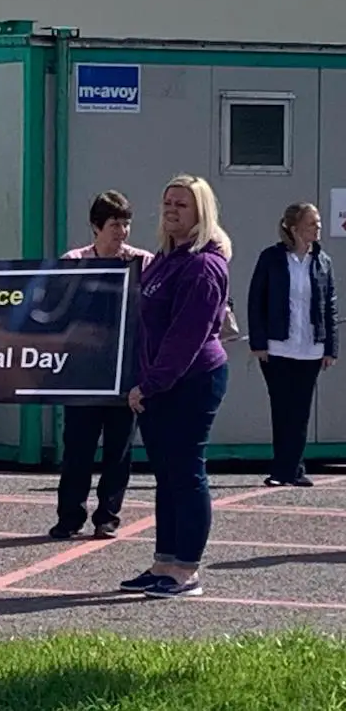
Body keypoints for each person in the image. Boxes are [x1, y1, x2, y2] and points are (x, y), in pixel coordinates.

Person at [122, 174, 232, 599]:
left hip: (191, 381)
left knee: (186, 474)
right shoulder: (167, 259)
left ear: (201, 213)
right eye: (168, 202)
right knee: (165, 476)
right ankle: (163, 563)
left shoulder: (203, 265)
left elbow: (184, 337)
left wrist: (149, 385)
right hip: (159, 382)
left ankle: (186, 571)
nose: (171, 210)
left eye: (182, 205)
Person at [49, 190, 153, 540]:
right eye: (114, 224)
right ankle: (69, 516)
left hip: (125, 374)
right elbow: (56, 312)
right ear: (96, 227)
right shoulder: (73, 261)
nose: (122, 232)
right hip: (83, 373)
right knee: (77, 448)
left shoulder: (143, 262)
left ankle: (108, 515)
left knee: (119, 450)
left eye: (126, 223)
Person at [248, 202, 337, 488]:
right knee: (282, 409)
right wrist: (259, 342)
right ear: (295, 227)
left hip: (310, 347)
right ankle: (280, 470)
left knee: (301, 411)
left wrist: (330, 347)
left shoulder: (323, 262)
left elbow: (329, 307)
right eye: (313, 223)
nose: (318, 228)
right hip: (278, 347)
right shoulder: (272, 258)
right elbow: (256, 302)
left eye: (319, 223)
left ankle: (294, 469)